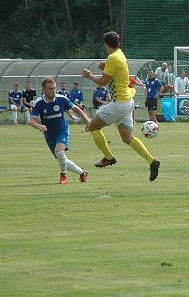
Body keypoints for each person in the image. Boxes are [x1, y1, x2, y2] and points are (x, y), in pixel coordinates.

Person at [81, 31, 160, 181]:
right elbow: (115, 73)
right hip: (127, 103)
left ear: (106, 45)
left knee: (92, 127)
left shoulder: (112, 57)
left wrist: (90, 76)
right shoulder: (120, 54)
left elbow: (104, 82)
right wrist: (105, 67)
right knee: (127, 138)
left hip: (119, 103)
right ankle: (152, 161)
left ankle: (108, 157)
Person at [29, 76, 90, 184]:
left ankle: (63, 174)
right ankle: (82, 173)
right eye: (50, 88)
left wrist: (87, 121)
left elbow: (76, 109)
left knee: (59, 152)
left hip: (62, 130)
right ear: (44, 90)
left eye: (54, 88)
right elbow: (31, 121)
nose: (53, 91)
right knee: (61, 158)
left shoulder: (61, 99)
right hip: (49, 135)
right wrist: (39, 126)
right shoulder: (39, 103)